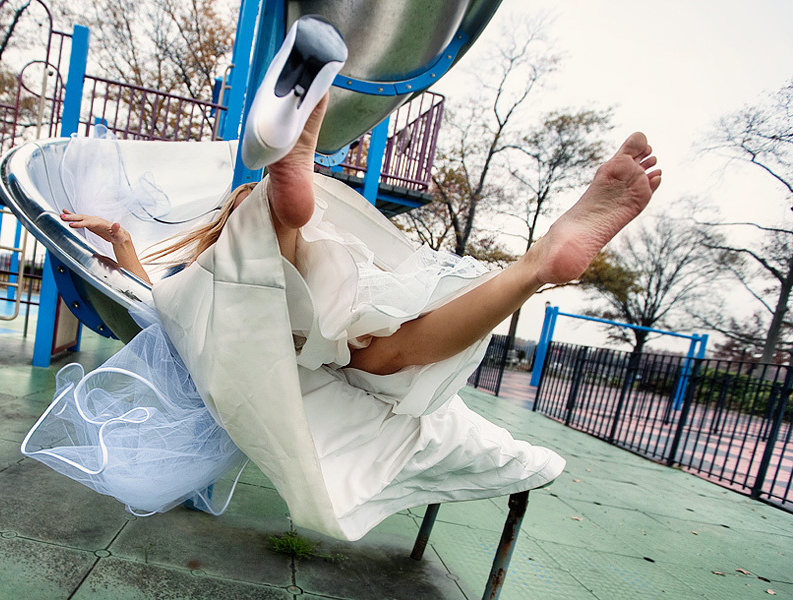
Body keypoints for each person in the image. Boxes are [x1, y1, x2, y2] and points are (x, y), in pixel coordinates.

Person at [46, 89, 660, 539]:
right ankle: (531, 268)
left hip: (252, 336)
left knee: (350, 344)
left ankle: (277, 222)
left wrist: (124, 243)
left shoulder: (199, 284)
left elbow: (158, 300)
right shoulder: (466, 436)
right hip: (286, 332)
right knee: (383, 354)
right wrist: (125, 241)